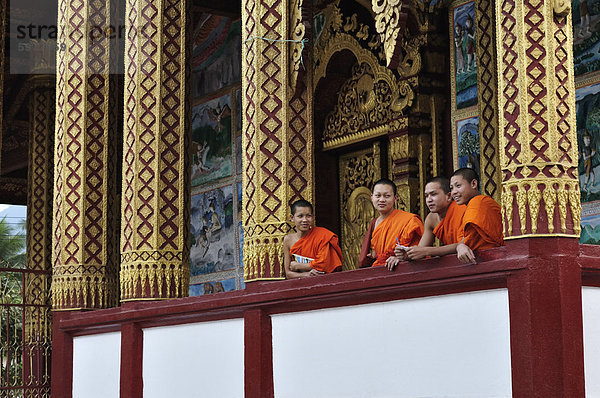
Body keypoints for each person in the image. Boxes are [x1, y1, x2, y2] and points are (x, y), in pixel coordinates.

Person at [359, 178, 423, 271]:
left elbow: (420, 249)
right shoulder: (374, 223)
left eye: (387, 196)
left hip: (402, 269)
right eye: (378, 196)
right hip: (379, 269)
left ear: (395, 198)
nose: (382, 200)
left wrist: (401, 258)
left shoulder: (409, 220)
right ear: (371, 197)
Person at [399, 176, 467, 261]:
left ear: (449, 196)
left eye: (433, 194)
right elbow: (421, 249)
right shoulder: (431, 219)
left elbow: (464, 244)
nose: (429, 200)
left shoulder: (463, 210)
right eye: (426, 196)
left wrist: (427, 251)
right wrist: (406, 255)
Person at [448, 168, 504, 263]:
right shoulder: (468, 209)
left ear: (474, 184)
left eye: (458, 186)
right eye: (451, 188)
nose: (454, 192)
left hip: (495, 260)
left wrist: (427, 251)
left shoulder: (478, 203)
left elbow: (467, 242)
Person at [283, 199, 343, 279]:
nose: (305, 220)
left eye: (308, 216)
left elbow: (325, 265)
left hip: (323, 282)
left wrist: (299, 266)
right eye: (300, 216)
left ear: (313, 217)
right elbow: (288, 274)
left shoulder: (322, 236)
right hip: (299, 285)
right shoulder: (288, 240)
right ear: (292, 217)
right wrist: (306, 274)